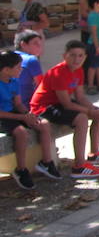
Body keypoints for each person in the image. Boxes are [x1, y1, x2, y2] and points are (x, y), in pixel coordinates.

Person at [30, 39, 99, 178]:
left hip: (59, 104)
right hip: (44, 107)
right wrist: (89, 112)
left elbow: (80, 97)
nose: (76, 59)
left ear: (85, 57)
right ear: (64, 56)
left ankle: (94, 154)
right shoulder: (58, 72)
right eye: (73, 55)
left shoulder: (79, 71)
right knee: (82, 118)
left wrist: (94, 109)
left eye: (80, 56)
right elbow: (67, 104)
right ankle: (79, 166)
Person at [0, 50, 61, 190]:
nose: (21, 70)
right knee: (21, 132)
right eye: (18, 67)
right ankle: (21, 169)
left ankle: (46, 162)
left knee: (43, 124)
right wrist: (21, 117)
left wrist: (28, 114)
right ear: (6, 70)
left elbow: (18, 104)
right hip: (3, 117)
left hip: (14, 113)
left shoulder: (14, 81)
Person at [15, 30, 45, 107]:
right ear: (23, 44)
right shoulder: (31, 60)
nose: (39, 46)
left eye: (40, 43)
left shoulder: (9, 57)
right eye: (35, 43)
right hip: (27, 106)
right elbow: (42, 86)